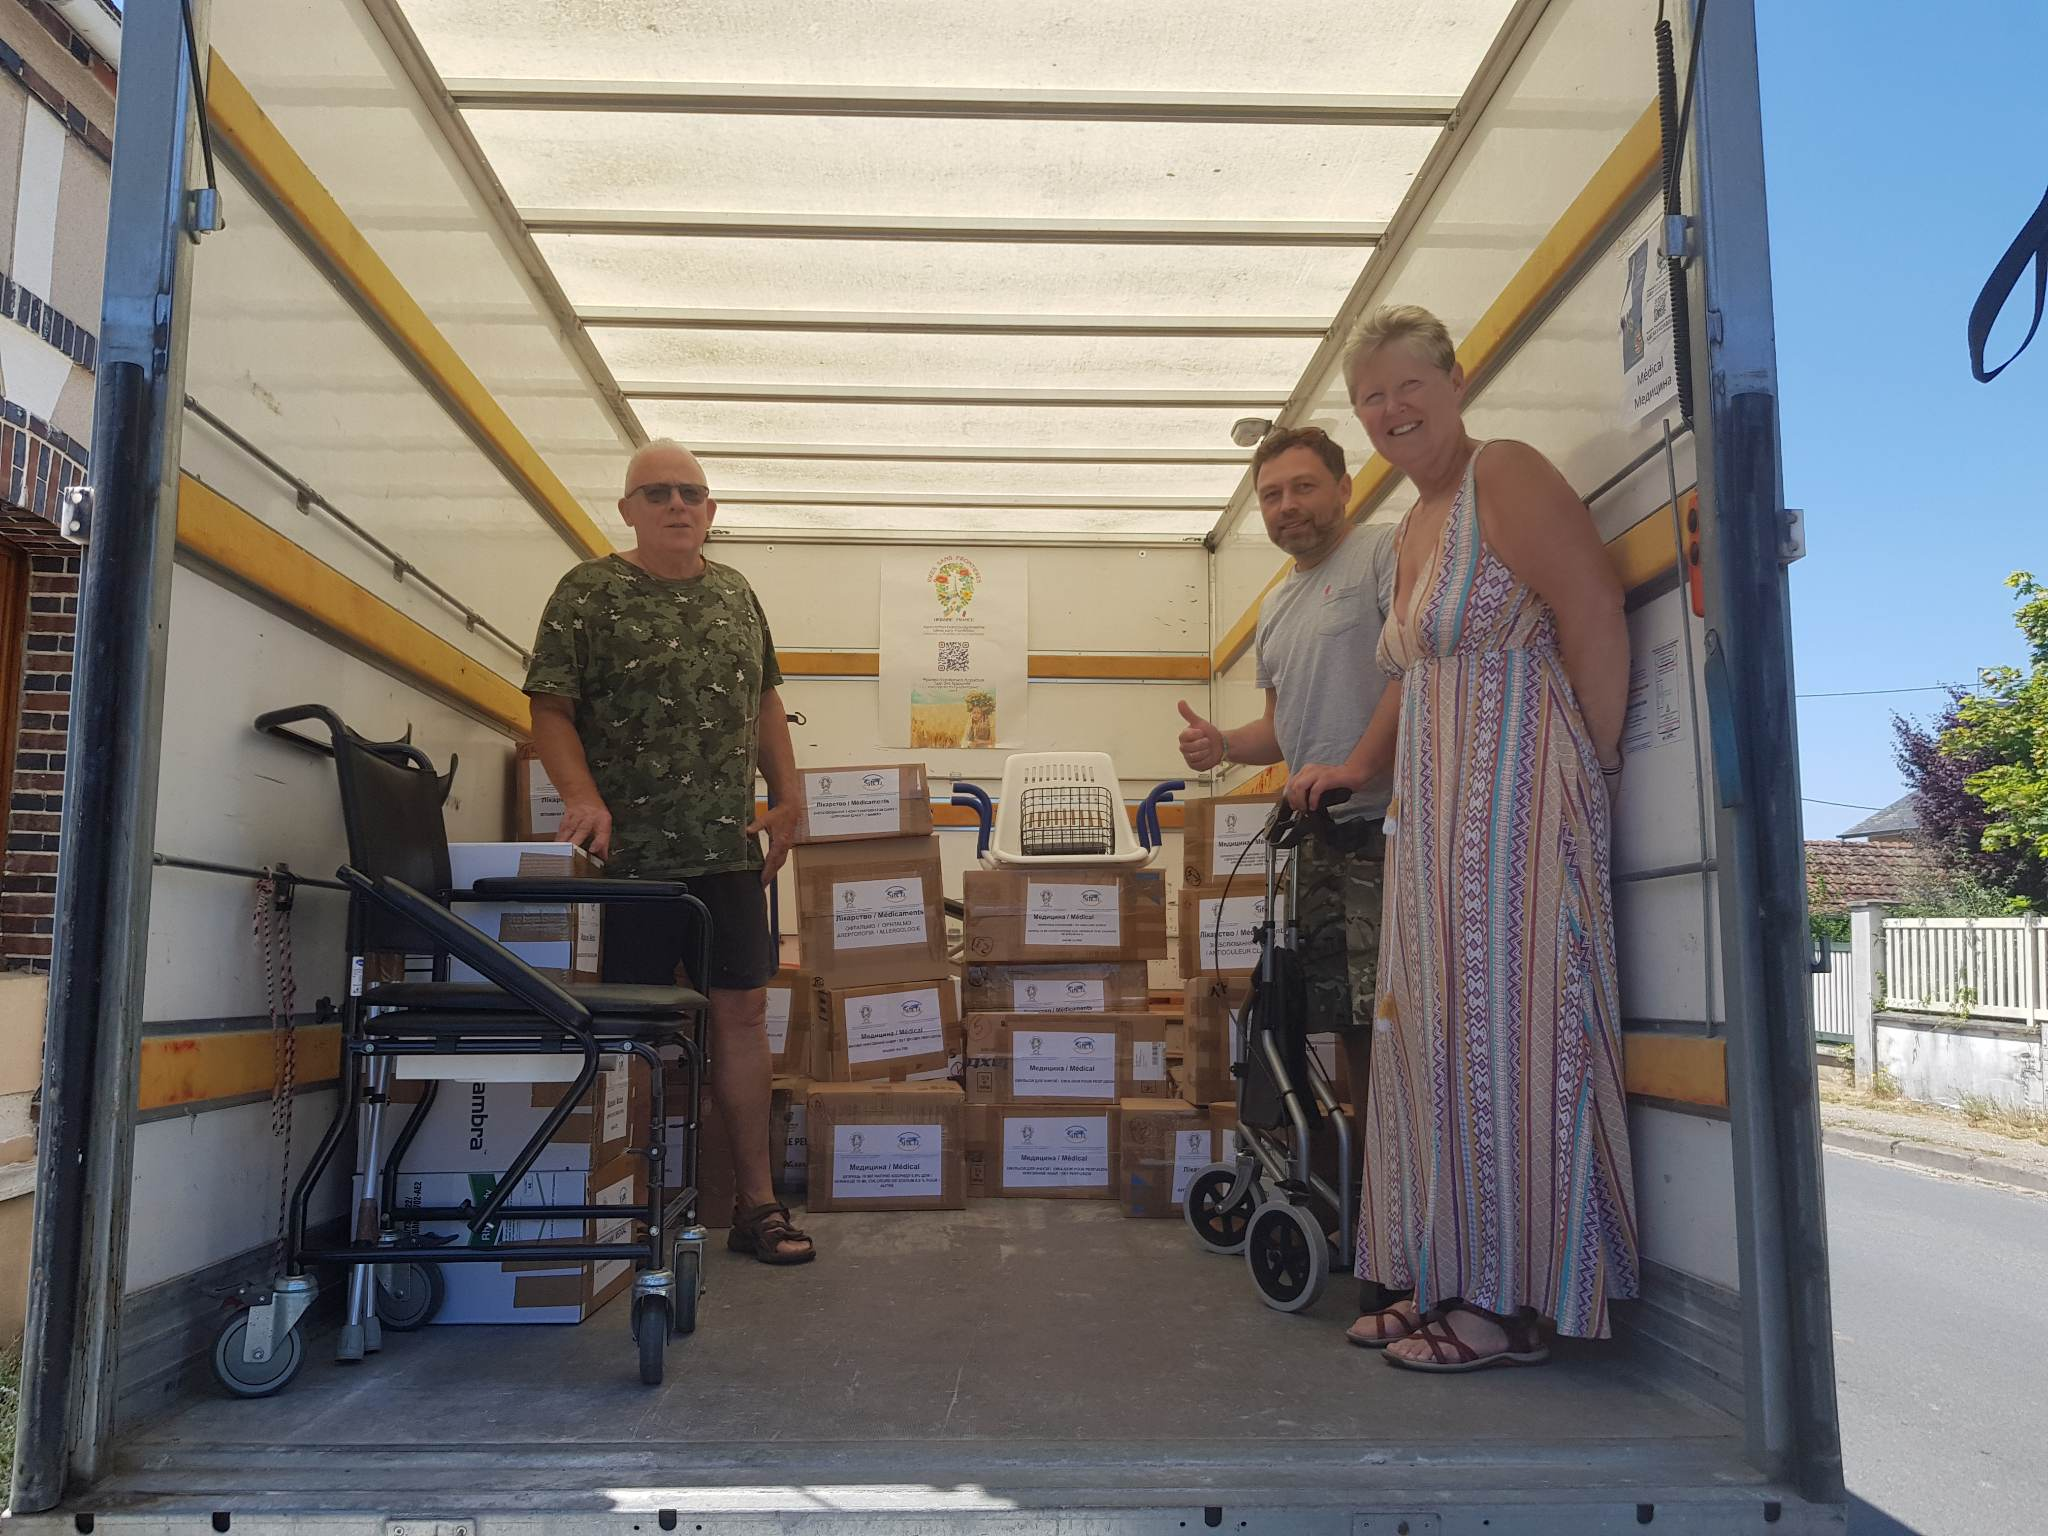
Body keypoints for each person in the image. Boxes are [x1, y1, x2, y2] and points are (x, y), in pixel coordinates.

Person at [1287, 304, 1638, 1371]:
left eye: (1406, 387)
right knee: (1429, 1045)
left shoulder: (1506, 475)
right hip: (1432, 821)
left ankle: (1512, 1303)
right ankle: (1440, 1273)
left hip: (1519, 806)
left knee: (1511, 1048)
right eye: (1368, 400)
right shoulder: (1415, 525)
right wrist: (1353, 764)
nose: (1389, 411)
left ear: (1452, 380)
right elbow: (1413, 670)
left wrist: (1594, 774)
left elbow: (1590, 612)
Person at [524, 438, 814, 1265]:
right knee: (633, 1031)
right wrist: (582, 797)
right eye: (657, 494)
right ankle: (626, 1207)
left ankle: (756, 1208)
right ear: (627, 510)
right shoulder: (587, 592)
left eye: (691, 492)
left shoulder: (737, 595)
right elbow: (551, 708)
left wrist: (788, 798)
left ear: (711, 510)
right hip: (630, 863)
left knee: (744, 1015)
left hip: (727, 854)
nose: (677, 505)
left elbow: (765, 701)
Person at [1175, 425, 1401, 1307]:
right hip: (1314, 835)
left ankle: (1395, 1230)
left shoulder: (1383, 557)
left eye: (1303, 488)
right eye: (1271, 495)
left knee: (1380, 1030)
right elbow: (1283, 725)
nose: (1286, 507)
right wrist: (1223, 742)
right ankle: (1358, 1202)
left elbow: (1409, 672)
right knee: (1332, 1025)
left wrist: (1363, 768)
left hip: (1383, 822)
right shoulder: (1276, 606)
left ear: (1344, 487)